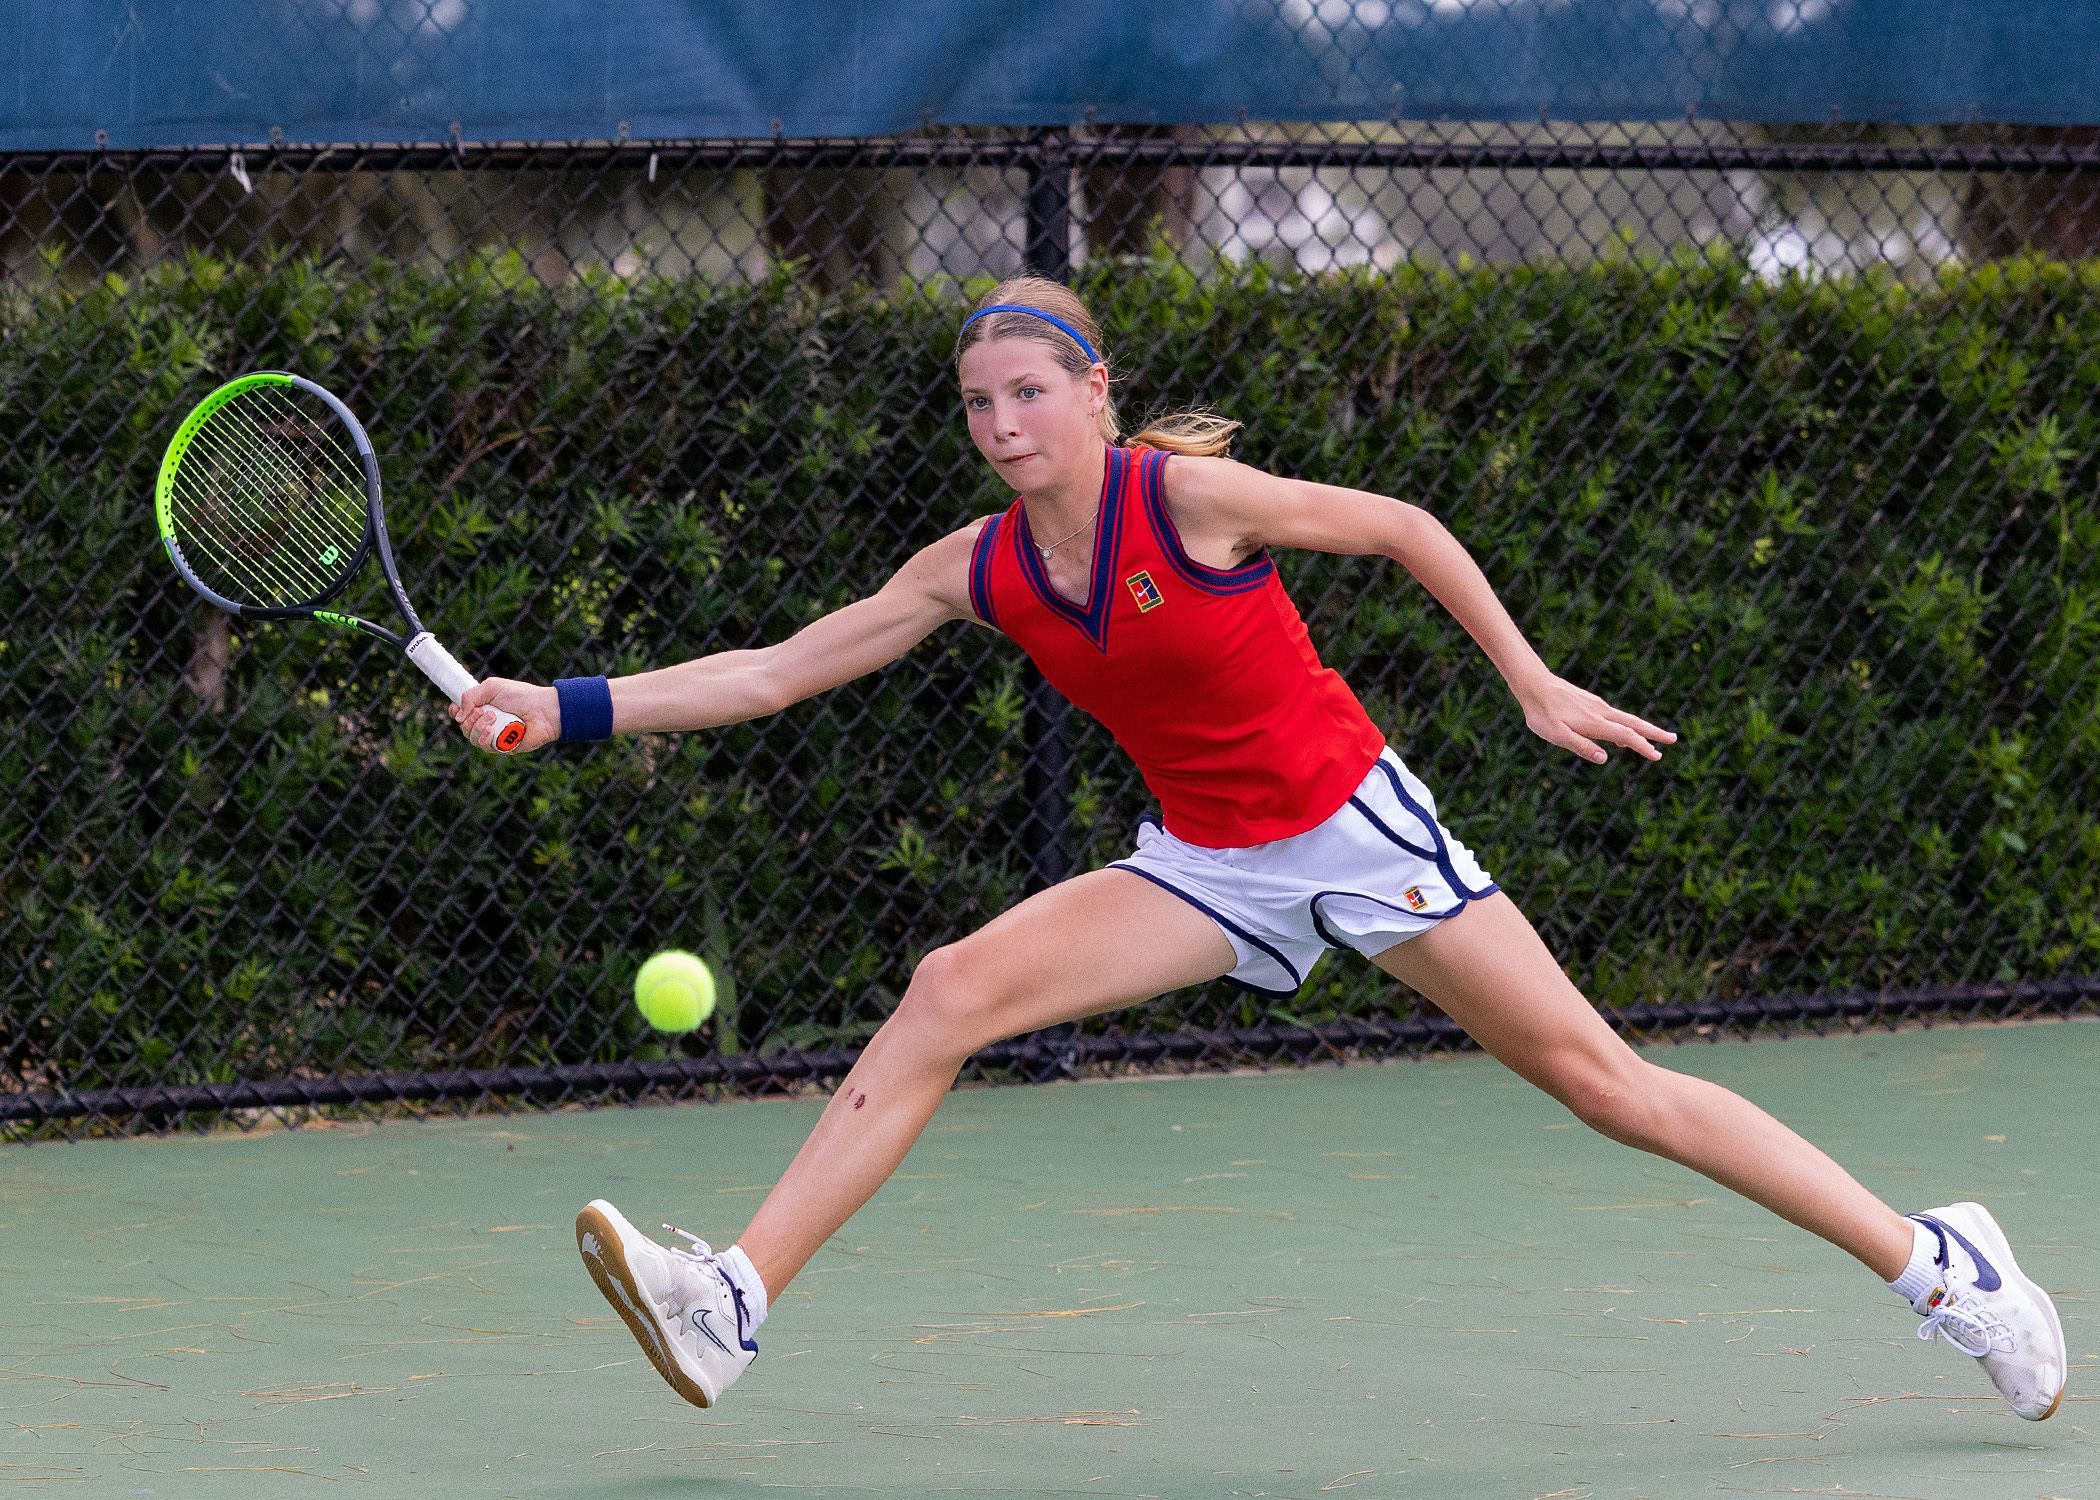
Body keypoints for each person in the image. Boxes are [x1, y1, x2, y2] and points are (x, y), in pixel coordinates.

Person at [453, 275, 2066, 1422]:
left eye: (1031, 393)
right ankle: (733, 1302)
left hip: (1355, 829)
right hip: (1207, 861)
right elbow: (780, 669)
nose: (1003, 423)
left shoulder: (1195, 501)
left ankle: (1944, 1268)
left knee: (1606, 1088)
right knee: (946, 990)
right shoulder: (980, 565)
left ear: (1094, 394)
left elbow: (1406, 530)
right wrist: (570, 707)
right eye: (977, 404)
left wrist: (1527, 676)